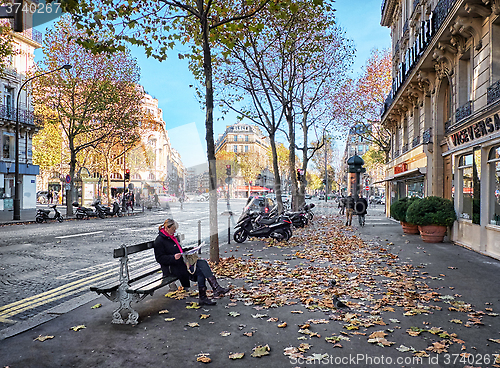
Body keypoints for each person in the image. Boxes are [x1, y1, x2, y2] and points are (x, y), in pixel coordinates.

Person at [154, 218, 230, 305]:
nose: (174, 232)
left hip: (181, 263)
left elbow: (179, 251)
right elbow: (159, 258)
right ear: (167, 228)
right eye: (173, 229)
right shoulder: (159, 241)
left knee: (202, 264)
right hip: (172, 268)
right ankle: (212, 291)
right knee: (201, 269)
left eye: (175, 230)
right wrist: (173, 257)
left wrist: (191, 249)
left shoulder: (171, 237)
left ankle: (211, 292)